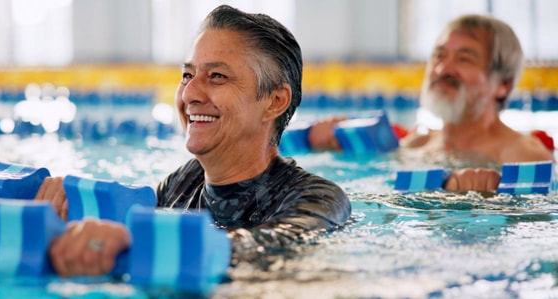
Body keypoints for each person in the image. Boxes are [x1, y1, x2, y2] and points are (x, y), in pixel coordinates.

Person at [33, 5, 351, 278]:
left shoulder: (318, 199)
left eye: (217, 77)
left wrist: (137, 242)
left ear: (275, 101)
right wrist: (73, 207)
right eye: (187, 75)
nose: (189, 94)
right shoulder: (181, 185)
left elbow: (269, 249)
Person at [307, 14, 554, 192]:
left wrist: (488, 202)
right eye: (439, 55)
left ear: (503, 84)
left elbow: (535, 220)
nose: (442, 69)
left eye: (464, 59)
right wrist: (334, 144)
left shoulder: (524, 156)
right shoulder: (415, 144)